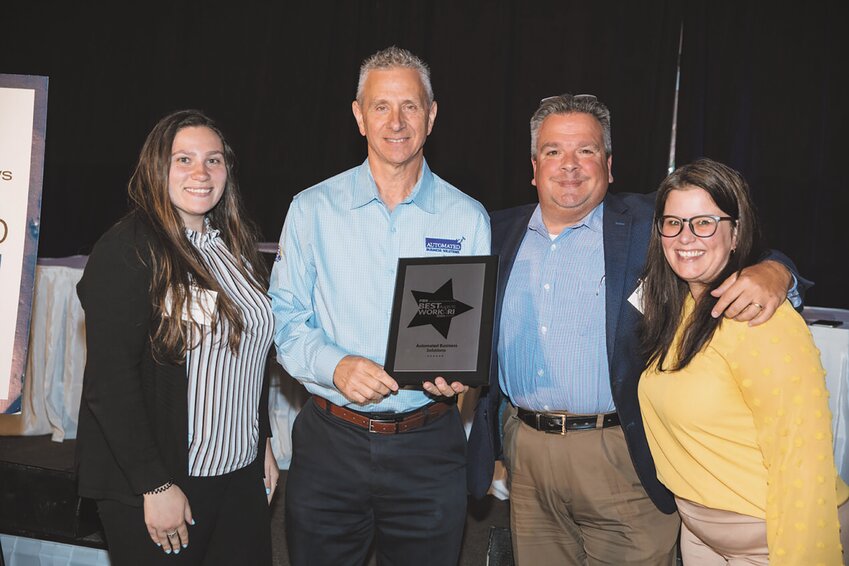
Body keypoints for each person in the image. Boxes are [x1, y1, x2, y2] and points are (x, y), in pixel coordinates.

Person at [466, 94, 804, 565]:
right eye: (553, 151)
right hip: (526, 454)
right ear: (533, 166)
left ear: (608, 165)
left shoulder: (649, 223)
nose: (569, 165)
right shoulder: (493, 231)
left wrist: (777, 272)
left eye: (585, 150)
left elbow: (733, 243)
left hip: (622, 453)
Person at [268, 46, 490, 566]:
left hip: (428, 446)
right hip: (331, 442)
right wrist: (335, 364)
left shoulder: (467, 217)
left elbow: (470, 326)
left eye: (410, 106)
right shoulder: (311, 209)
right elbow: (284, 318)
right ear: (358, 115)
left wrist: (460, 373)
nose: (396, 121)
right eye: (381, 106)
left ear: (431, 116)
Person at [76, 109, 278, 565]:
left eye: (214, 160)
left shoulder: (234, 246)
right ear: (155, 167)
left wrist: (261, 438)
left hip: (240, 472)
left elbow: (249, 353)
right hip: (167, 481)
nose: (201, 173)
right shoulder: (128, 249)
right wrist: (154, 484)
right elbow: (110, 384)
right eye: (183, 159)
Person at [638, 158, 848, 565]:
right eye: (674, 222)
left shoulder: (759, 317)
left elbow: (802, 461)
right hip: (701, 533)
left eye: (704, 222)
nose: (686, 236)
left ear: (735, 233)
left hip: (772, 540)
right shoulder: (678, 307)